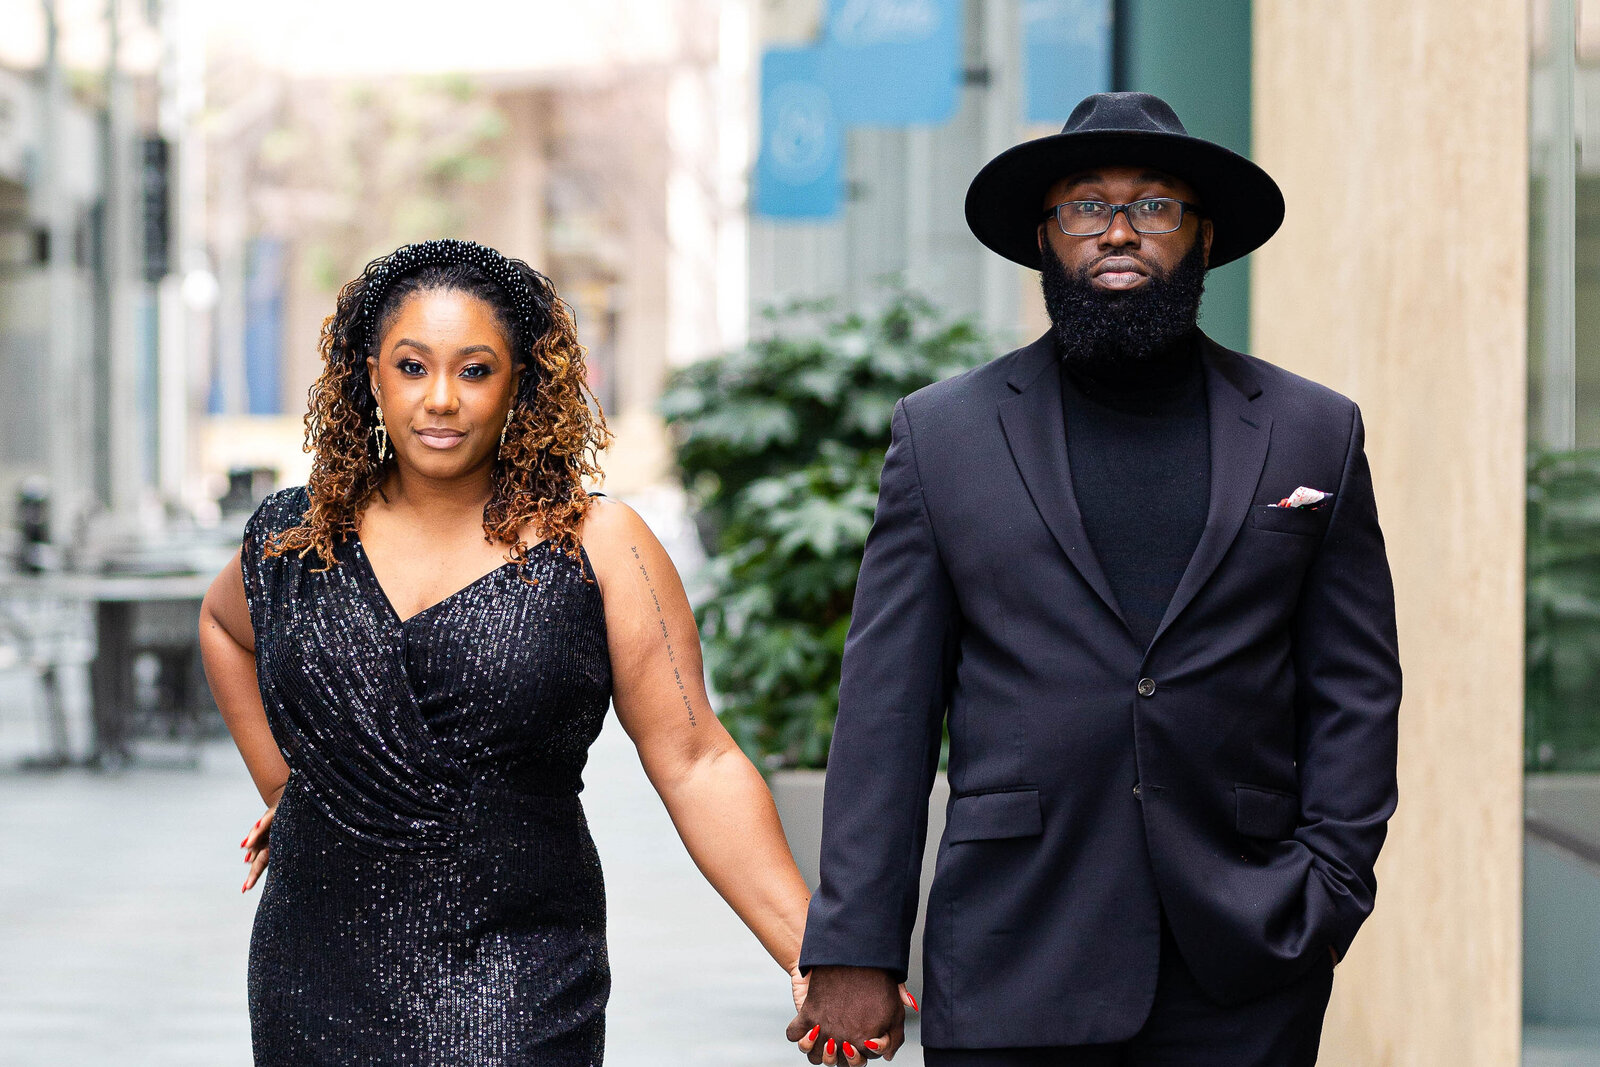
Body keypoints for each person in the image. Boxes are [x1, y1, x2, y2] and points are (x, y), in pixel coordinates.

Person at [787, 92, 1402, 1066]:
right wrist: (854, 942)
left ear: (1203, 238)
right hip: (1014, 948)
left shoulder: (1310, 428)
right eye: (1085, 206)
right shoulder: (943, 435)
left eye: (1155, 206)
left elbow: (1354, 686)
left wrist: (1329, 890)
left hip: (1246, 954)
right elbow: (884, 710)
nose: (1119, 230)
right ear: (1045, 238)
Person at [198, 238, 826, 1064]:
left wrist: (816, 955)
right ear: (369, 376)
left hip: (516, 972)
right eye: (413, 367)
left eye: (475, 370)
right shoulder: (293, 534)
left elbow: (695, 756)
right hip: (316, 967)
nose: (442, 400)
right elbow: (222, 627)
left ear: (521, 383)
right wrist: (296, 786)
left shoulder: (599, 544)